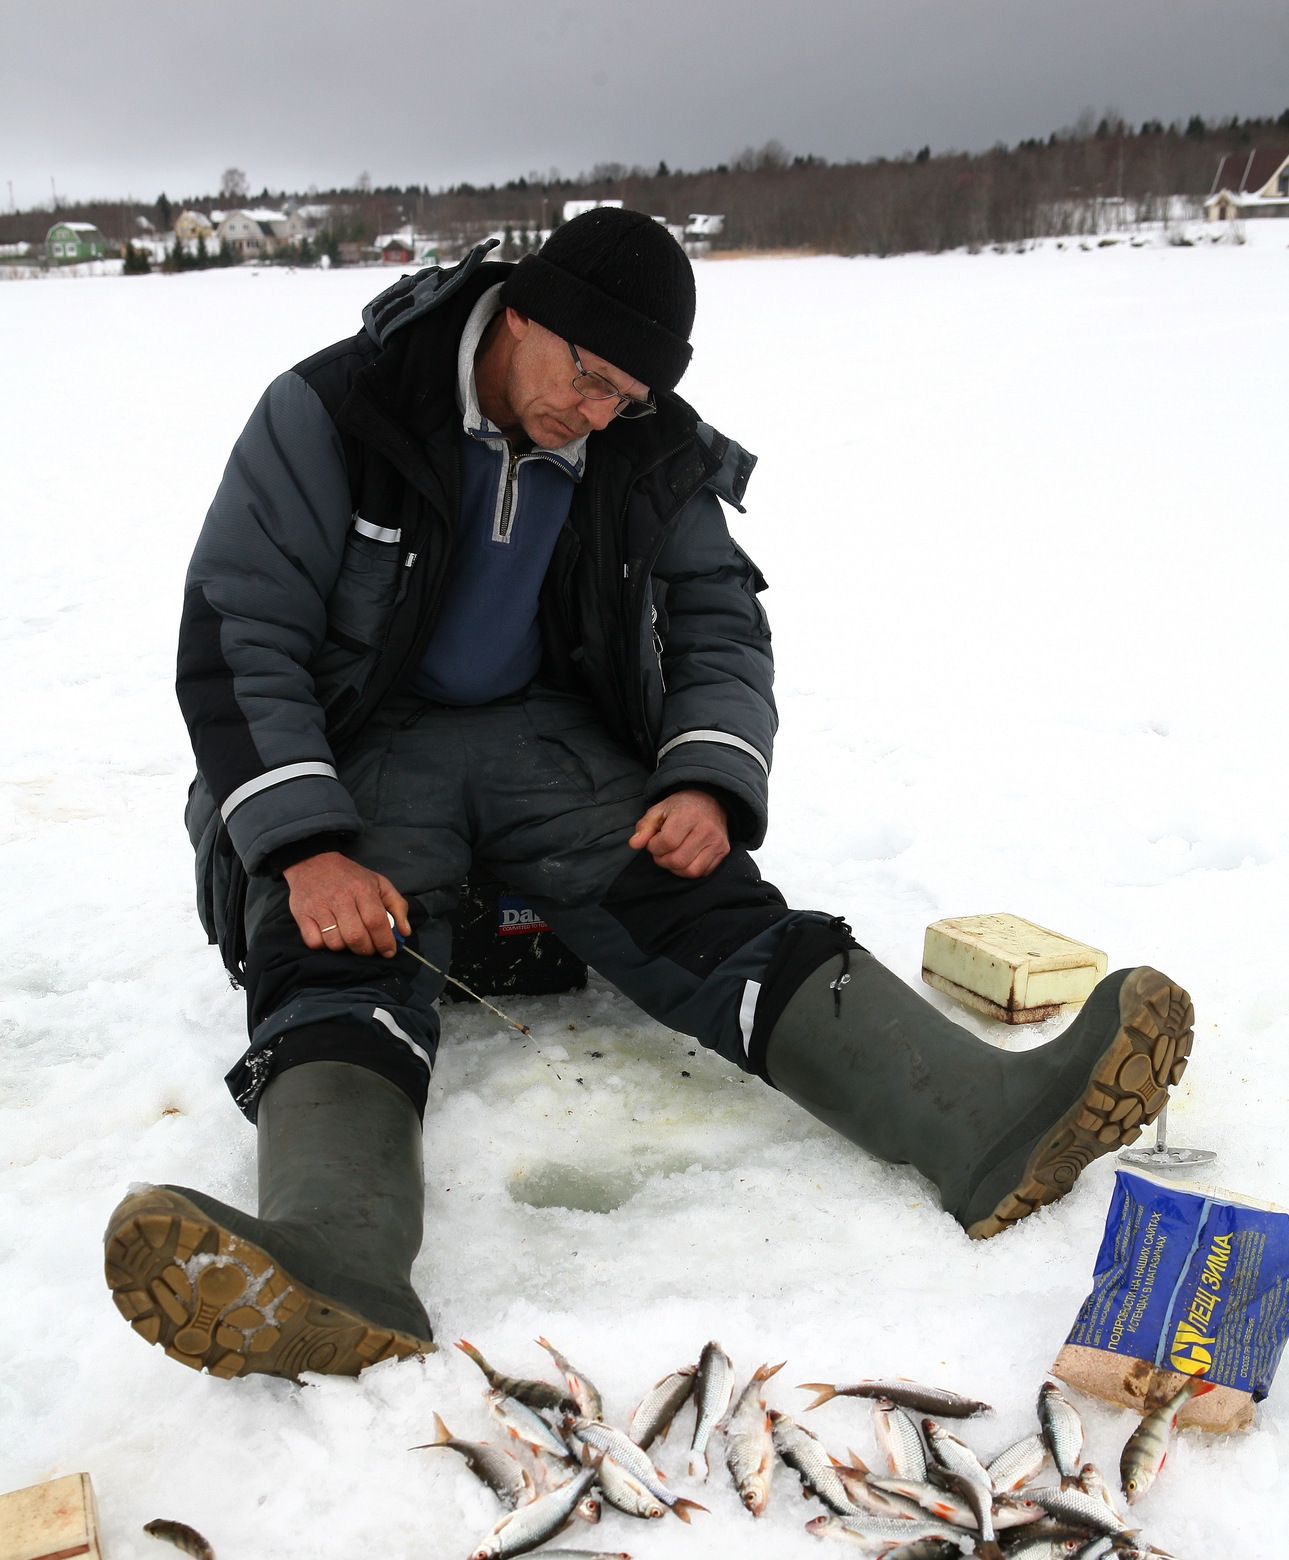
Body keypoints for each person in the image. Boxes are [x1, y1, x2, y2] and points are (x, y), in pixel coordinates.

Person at [103, 210, 1194, 1383]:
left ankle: (984, 1119)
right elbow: (237, 633)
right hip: (360, 744)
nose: (599, 414)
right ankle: (335, 1259)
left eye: (626, 394)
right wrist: (303, 843)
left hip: (548, 740)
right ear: (521, 312)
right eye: (586, 377)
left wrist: (710, 778)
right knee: (337, 952)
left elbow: (721, 619)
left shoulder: (646, 445)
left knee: (702, 902)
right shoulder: (338, 407)